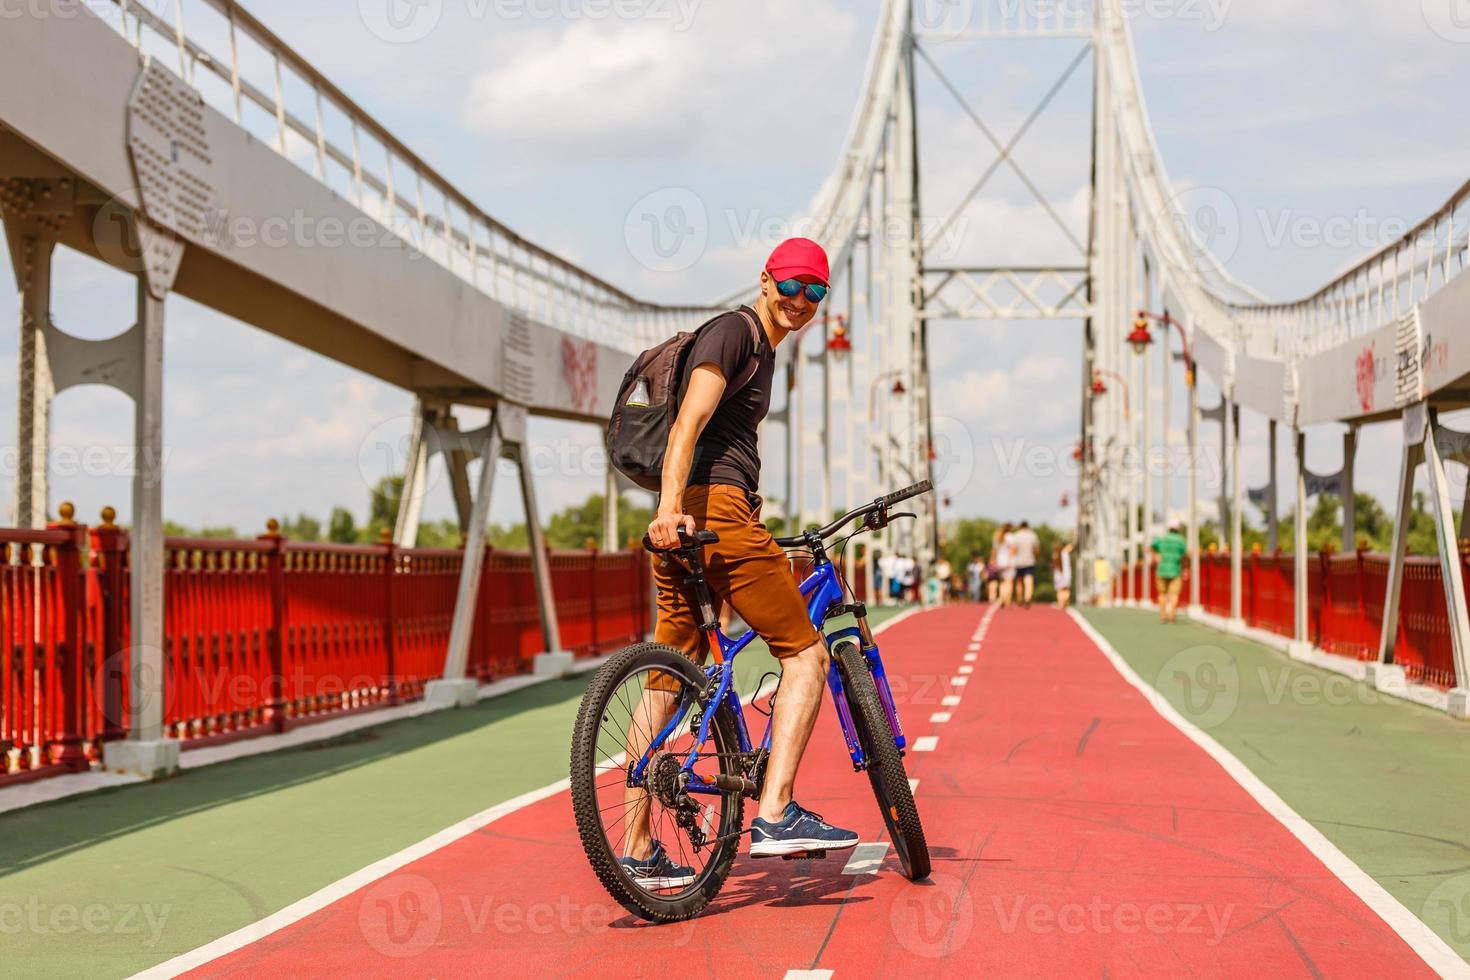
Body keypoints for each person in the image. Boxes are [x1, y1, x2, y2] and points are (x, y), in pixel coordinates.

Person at [636, 238, 859, 882]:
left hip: (694, 522)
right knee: (807, 655)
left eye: (815, 292)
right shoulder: (736, 334)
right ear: (766, 281)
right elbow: (687, 422)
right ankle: (776, 811)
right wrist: (672, 508)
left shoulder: (758, 347)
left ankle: (637, 846)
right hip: (712, 515)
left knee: (665, 677)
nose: (801, 302)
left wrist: (673, 514)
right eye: (791, 286)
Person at [1150, 523, 1188, 623]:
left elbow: (1151, 546)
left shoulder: (1162, 539)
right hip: (1175, 570)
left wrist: (1155, 556)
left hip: (1161, 570)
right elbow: (1185, 555)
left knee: (1162, 594)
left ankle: (1163, 615)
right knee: (1174, 594)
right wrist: (1185, 569)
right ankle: (1172, 615)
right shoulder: (1180, 540)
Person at [1011, 520, 1041, 608]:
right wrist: (1036, 557)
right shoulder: (1033, 535)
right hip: (1029, 561)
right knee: (1028, 580)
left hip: (1018, 562)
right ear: (1028, 526)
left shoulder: (1016, 536)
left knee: (1019, 581)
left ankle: (1019, 598)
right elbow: (1037, 549)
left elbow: (1013, 550)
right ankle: (1027, 597)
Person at [994, 523, 1016, 606]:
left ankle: (1002, 597)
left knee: (1002, 581)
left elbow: (995, 550)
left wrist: (995, 561)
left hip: (1000, 561)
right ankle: (1007, 600)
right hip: (1008, 561)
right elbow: (1013, 549)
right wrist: (1009, 560)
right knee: (1009, 581)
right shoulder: (1011, 537)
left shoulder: (998, 537)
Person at [1053, 540, 1073, 609]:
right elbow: (1070, 547)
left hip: (1058, 575)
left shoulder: (1056, 554)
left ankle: (1061, 603)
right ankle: (1063, 602)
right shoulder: (1064, 553)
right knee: (1065, 589)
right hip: (1065, 574)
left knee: (1060, 590)